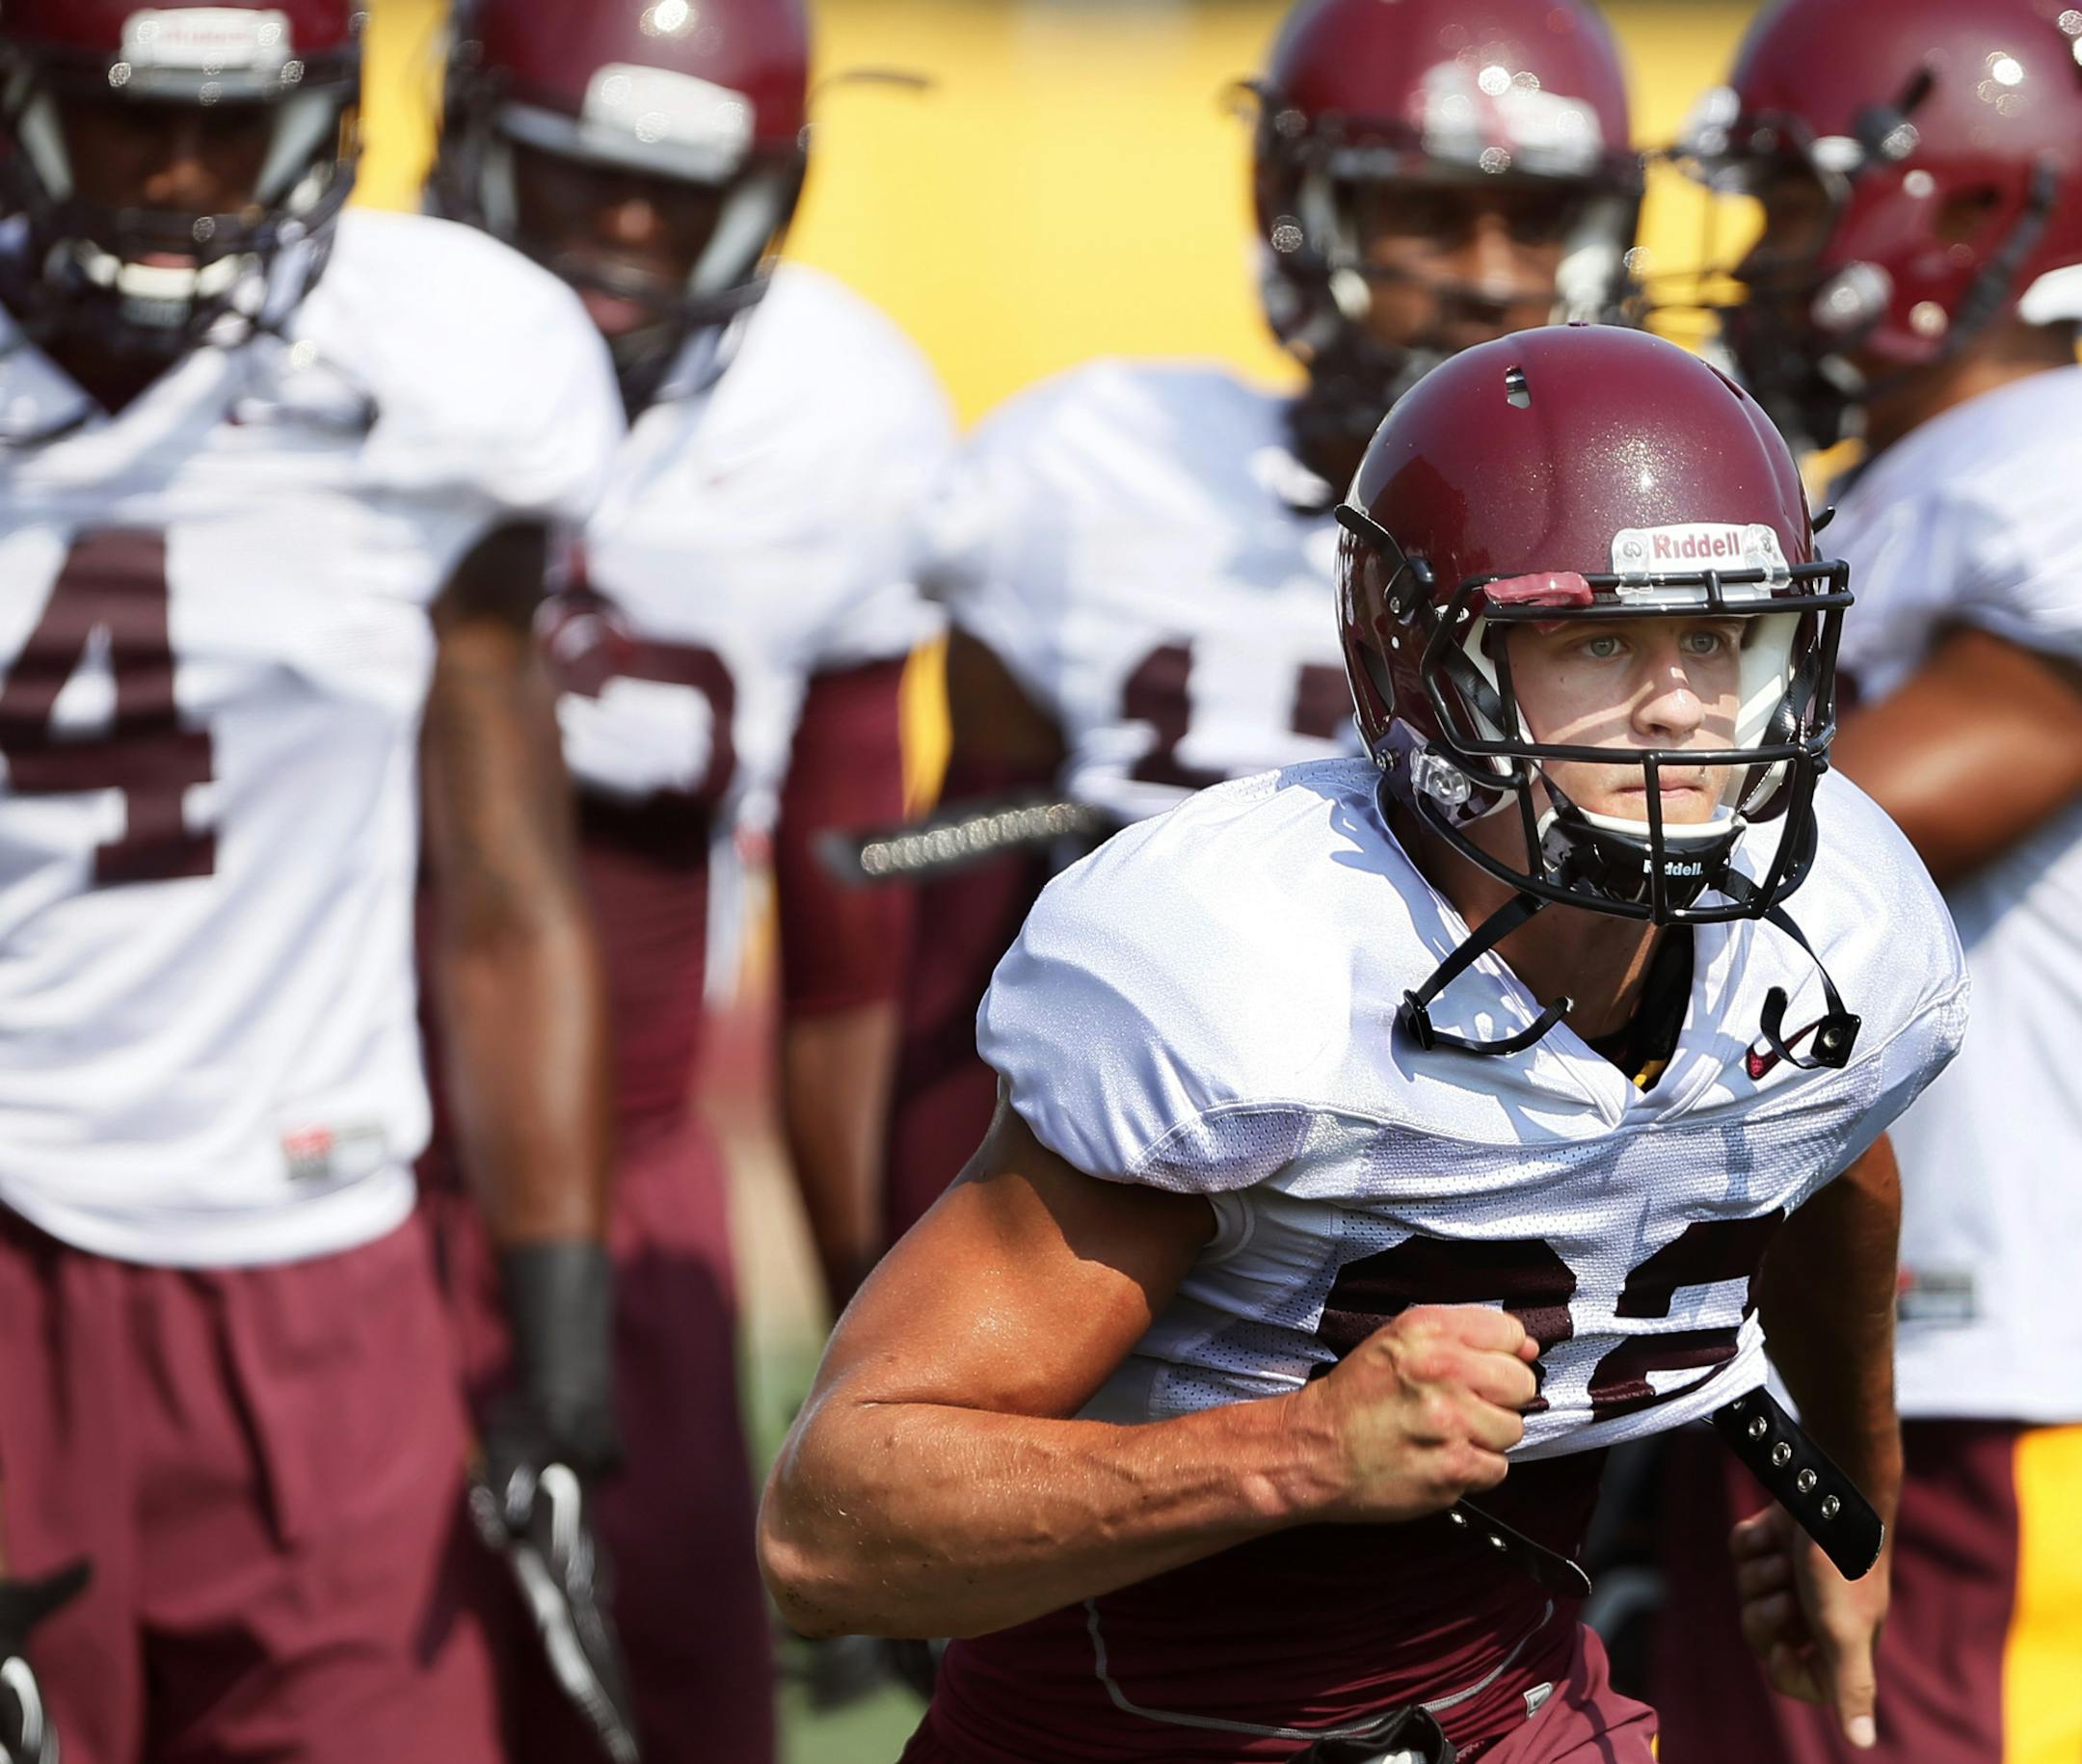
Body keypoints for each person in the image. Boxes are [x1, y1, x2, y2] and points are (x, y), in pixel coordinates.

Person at [761, 322, 1970, 1762]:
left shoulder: (1837, 925)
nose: (1683, 708)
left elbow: (1833, 1167)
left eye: (1717, 635)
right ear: (1428, 664)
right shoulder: (1254, 966)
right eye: (1596, 639)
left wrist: (1851, 1496)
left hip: (1522, 1715)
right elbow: (830, 1530)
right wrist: (1299, 1450)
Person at [0, 2, 625, 1761]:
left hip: (324, 1249)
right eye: (127, 120)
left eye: (239, 121)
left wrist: (558, 1332)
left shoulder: (449, 362)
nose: (186, 174)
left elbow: (506, 880)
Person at [883, 0, 1644, 1244]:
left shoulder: (1663, 509)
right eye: (1429, 213)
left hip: (1521, 1216)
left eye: (1543, 220)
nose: (1496, 275)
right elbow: (960, 976)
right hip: (1144, 1191)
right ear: (1303, 212)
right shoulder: (1088, 475)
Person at [432, 1, 952, 1756]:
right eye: (578, 177)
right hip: (308, 1153)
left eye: (676, 195)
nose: (624, 238)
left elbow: (844, 933)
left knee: (665, 1704)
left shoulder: (842, 414)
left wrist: (882, 1346)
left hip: (641, 1170)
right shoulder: (334, 353)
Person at [1650, 2, 2082, 1758]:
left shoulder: (2043, 470)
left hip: (1974, 1346)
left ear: (1962, 214)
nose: (1752, 261)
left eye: (1789, 207)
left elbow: (1805, 853)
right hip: (1810, 1302)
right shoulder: (1901, 482)